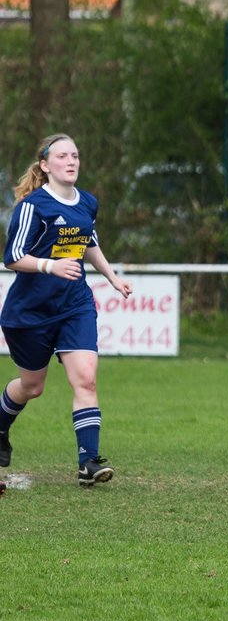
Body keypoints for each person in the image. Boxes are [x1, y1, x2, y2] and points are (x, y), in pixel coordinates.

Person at [0, 133, 132, 486]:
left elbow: (88, 242)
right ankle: (0, 426)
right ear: (45, 165)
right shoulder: (33, 206)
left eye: (75, 155)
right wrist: (50, 266)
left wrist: (113, 277)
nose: (71, 161)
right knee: (32, 386)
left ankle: (88, 463)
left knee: (86, 377)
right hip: (30, 312)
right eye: (62, 156)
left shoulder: (87, 202)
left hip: (74, 305)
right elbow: (12, 257)